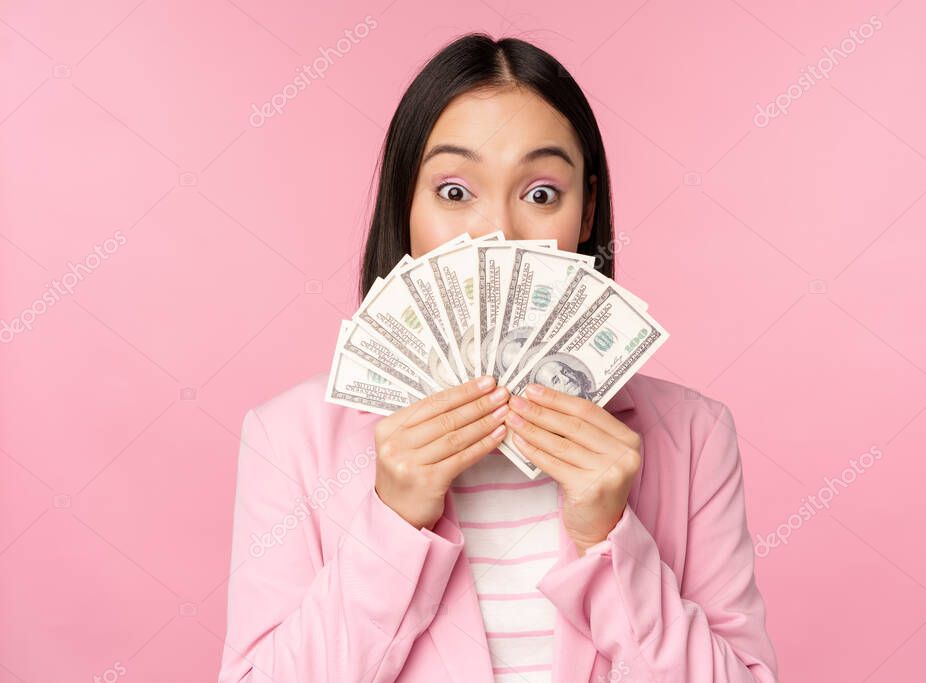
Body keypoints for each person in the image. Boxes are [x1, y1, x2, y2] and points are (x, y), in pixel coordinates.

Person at [218, 33, 780, 683]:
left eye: (540, 194)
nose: (498, 235)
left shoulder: (693, 437)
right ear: (406, 206)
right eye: (455, 192)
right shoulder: (288, 439)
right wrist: (392, 527)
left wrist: (609, 542)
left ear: (586, 212)